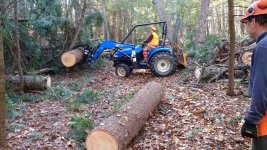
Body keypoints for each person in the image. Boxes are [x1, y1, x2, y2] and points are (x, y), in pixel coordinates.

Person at [240, 0, 267, 149]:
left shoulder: (263, 46)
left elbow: (261, 88)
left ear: (254, 22)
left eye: (246, 22)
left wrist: (251, 120)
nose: (246, 26)